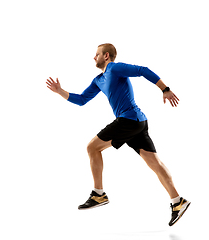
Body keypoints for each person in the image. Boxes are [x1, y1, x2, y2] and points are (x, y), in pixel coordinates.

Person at [45, 43, 190, 226]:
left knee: (92, 147)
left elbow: (142, 70)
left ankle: (99, 194)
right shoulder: (99, 79)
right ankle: (178, 202)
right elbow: (82, 100)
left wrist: (165, 89)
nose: (93, 57)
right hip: (137, 122)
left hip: (129, 120)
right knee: (155, 163)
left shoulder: (114, 68)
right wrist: (60, 92)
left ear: (106, 56)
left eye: (96, 54)